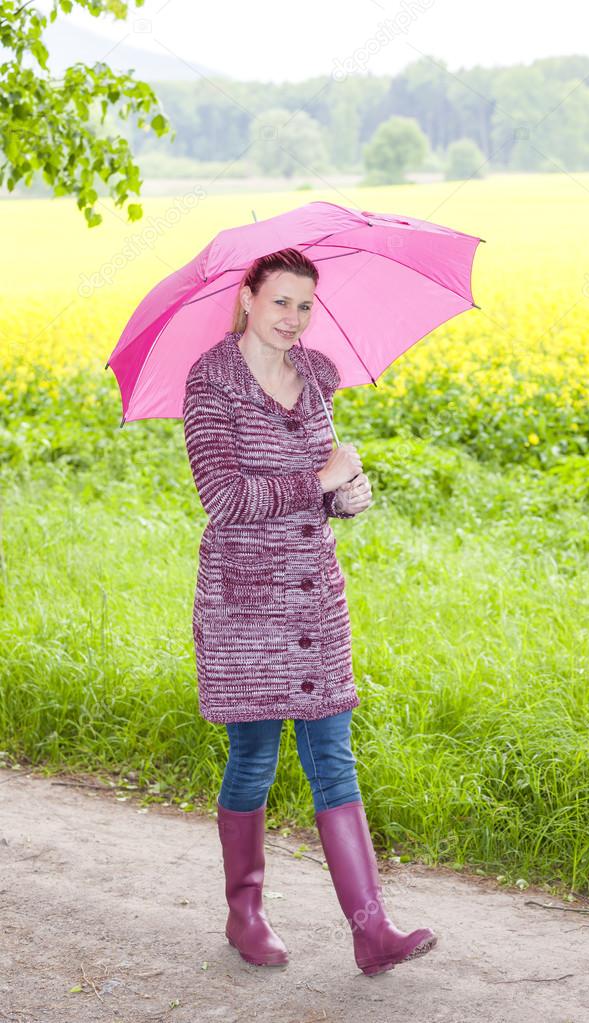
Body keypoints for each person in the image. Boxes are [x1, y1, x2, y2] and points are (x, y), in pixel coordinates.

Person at [182, 247, 437, 977]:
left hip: (313, 599)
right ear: (247, 298)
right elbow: (224, 498)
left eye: (305, 304)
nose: (294, 319)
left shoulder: (319, 377)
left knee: (332, 752)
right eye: (280, 302)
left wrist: (343, 497)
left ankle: (372, 929)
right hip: (246, 602)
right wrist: (316, 477)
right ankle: (246, 911)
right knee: (255, 753)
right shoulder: (212, 383)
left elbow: (320, 490)